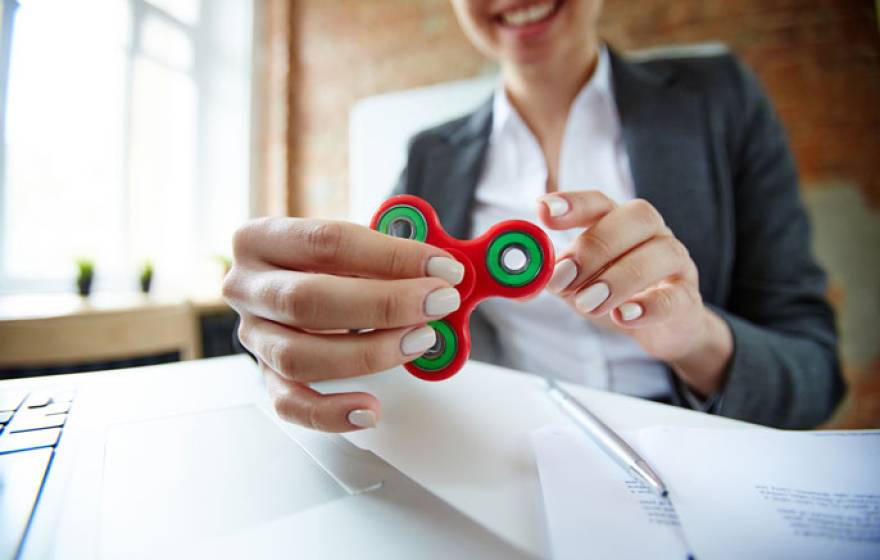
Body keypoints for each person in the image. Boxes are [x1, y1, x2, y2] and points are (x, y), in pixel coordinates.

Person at [223, 0, 843, 433]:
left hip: (700, 445)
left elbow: (817, 375)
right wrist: (295, 329)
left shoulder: (719, 98)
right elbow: (368, 313)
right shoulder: (431, 156)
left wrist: (696, 339)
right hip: (507, 450)